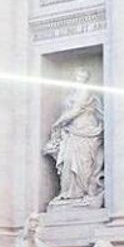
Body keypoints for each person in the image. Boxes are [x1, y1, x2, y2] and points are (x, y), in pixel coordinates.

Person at [43, 70, 105, 205]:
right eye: (77, 75)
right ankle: (69, 192)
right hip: (72, 130)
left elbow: (76, 110)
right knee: (68, 160)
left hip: (85, 129)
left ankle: (80, 192)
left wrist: (59, 122)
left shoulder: (85, 91)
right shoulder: (73, 93)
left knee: (83, 161)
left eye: (82, 76)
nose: (79, 78)